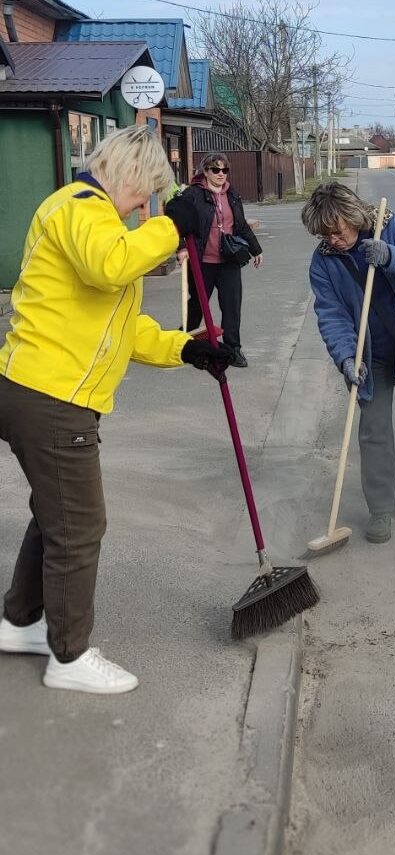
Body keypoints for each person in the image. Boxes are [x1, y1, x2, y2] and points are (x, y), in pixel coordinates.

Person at [0, 125, 234, 694]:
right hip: (51, 397)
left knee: (57, 515)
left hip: (45, 392)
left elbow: (121, 328)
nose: (142, 206)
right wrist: (173, 224)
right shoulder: (81, 209)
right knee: (81, 526)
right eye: (144, 193)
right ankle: (70, 658)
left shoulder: (95, 220)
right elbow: (111, 264)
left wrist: (188, 346)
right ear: (130, 174)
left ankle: (20, 622)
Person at [302, 182, 395, 544]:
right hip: (370, 356)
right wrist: (346, 357)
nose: (331, 240)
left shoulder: (393, 226)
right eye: (324, 234)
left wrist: (391, 256)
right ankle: (380, 509)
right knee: (374, 431)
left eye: (336, 231)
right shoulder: (324, 262)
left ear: (353, 218)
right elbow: (331, 314)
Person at [177, 151, 263, 368]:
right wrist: (182, 248)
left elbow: (241, 225)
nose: (221, 174)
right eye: (216, 169)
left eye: (225, 170)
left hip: (229, 261)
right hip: (202, 261)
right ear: (205, 171)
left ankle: (233, 349)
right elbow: (178, 223)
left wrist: (256, 250)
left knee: (232, 307)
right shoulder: (192, 194)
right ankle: (183, 343)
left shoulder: (231, 194)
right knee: (197, 304)